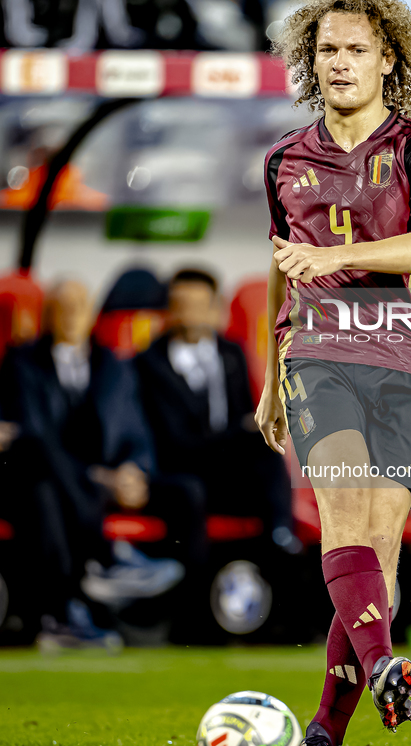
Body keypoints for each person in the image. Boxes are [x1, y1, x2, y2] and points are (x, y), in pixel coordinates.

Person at [255, 0, 411, 746]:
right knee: (343, 516)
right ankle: (382, 664)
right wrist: (276, 372)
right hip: (319, 354)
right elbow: (281, 266)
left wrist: (333, 255)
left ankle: (323, 735)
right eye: (326, 48)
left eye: (355, 49)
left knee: (378, 555)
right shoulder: (283, 157)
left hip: (404, 360)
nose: (338, 61)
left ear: (387, 61)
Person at [0, 280, 186, 648]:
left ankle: (62, 615)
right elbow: (35, 432)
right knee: (36, 457)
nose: (71, 315)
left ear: (92, 315)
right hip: (32, 477)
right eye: (62, 307)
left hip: (72, 488)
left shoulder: (113, 365)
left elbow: (135, 429)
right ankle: (104, 558)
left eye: (79, 306)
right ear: (47, 315)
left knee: (47, 495)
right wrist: (98, 477)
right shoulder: (23, 361)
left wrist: (135, 470)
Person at [135, 268, 294, 544]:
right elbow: (173, 440)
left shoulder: (231, 352)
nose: (190, 314)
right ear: (169, 310)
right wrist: (241, 430)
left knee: (267, 447)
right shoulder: (149, 362)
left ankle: (282, 539)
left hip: (226, 467)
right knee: (192, 488)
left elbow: (244, 409)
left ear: (214, 309)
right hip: (180, 467)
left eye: (199, 306)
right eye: (181, 306)